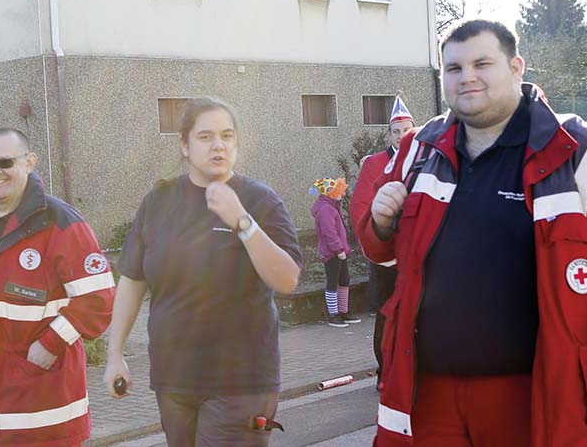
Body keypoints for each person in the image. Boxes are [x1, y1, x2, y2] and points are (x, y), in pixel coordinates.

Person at [356, 19, 587, 446]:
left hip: (536, 395)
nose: (467, 77)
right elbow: (383, 252)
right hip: (429, 396)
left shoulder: (584, 151)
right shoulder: (417, 149)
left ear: (516, 68)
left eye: (482, 64)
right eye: (454, 68)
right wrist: (379, 222)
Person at [103, 97, 303, 447]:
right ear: (185, 145)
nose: (218, 145)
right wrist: (115, 354)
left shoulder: (260, 201)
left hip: (240, 383)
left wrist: (242, 222)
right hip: (174, 380)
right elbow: (132, 280)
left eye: (227, 136)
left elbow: (287, 280)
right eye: (205, 136)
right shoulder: (159, 202)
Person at [0, 128, 116, 447]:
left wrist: (51, 343)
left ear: (29, 162)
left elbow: (98, 297)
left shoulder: (60, 222)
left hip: (38, 412)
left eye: (5, 162)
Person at [350, 95, 415, 387]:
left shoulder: (423, 159)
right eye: (396, 131)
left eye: (406, 130)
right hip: (386, 255)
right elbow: (360, 207)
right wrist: (376, 239)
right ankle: (385, 372)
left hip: (416, 254)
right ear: (389, 135)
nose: (401, 136)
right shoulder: (375, 163)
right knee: (387, 314)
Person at [309, 177, 360, 328]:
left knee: (344, 280)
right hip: (331, 253)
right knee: (333, 281)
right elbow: (329, 232)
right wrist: (338, 249)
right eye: (339, 192)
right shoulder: (326, 209)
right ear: (330, 193)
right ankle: (333, 315)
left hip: (338, 251)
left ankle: (343, 311)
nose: (341, 195)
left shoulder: (332, 207)